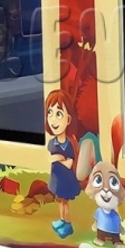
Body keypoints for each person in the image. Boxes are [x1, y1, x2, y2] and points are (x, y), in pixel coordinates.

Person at [45, 89, 81, 239]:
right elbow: (50, 159)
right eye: (50, 113)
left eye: (59, 114)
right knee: (60, 202)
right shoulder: (52, 143)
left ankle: (67, 224)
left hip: (66, 180)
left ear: (68, 120)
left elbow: (69, 163)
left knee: (65, 203)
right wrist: (57, 158)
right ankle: (61, 221)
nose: (53, 119)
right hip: (57, 179)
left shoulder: (69, 144)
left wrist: (59, 158)